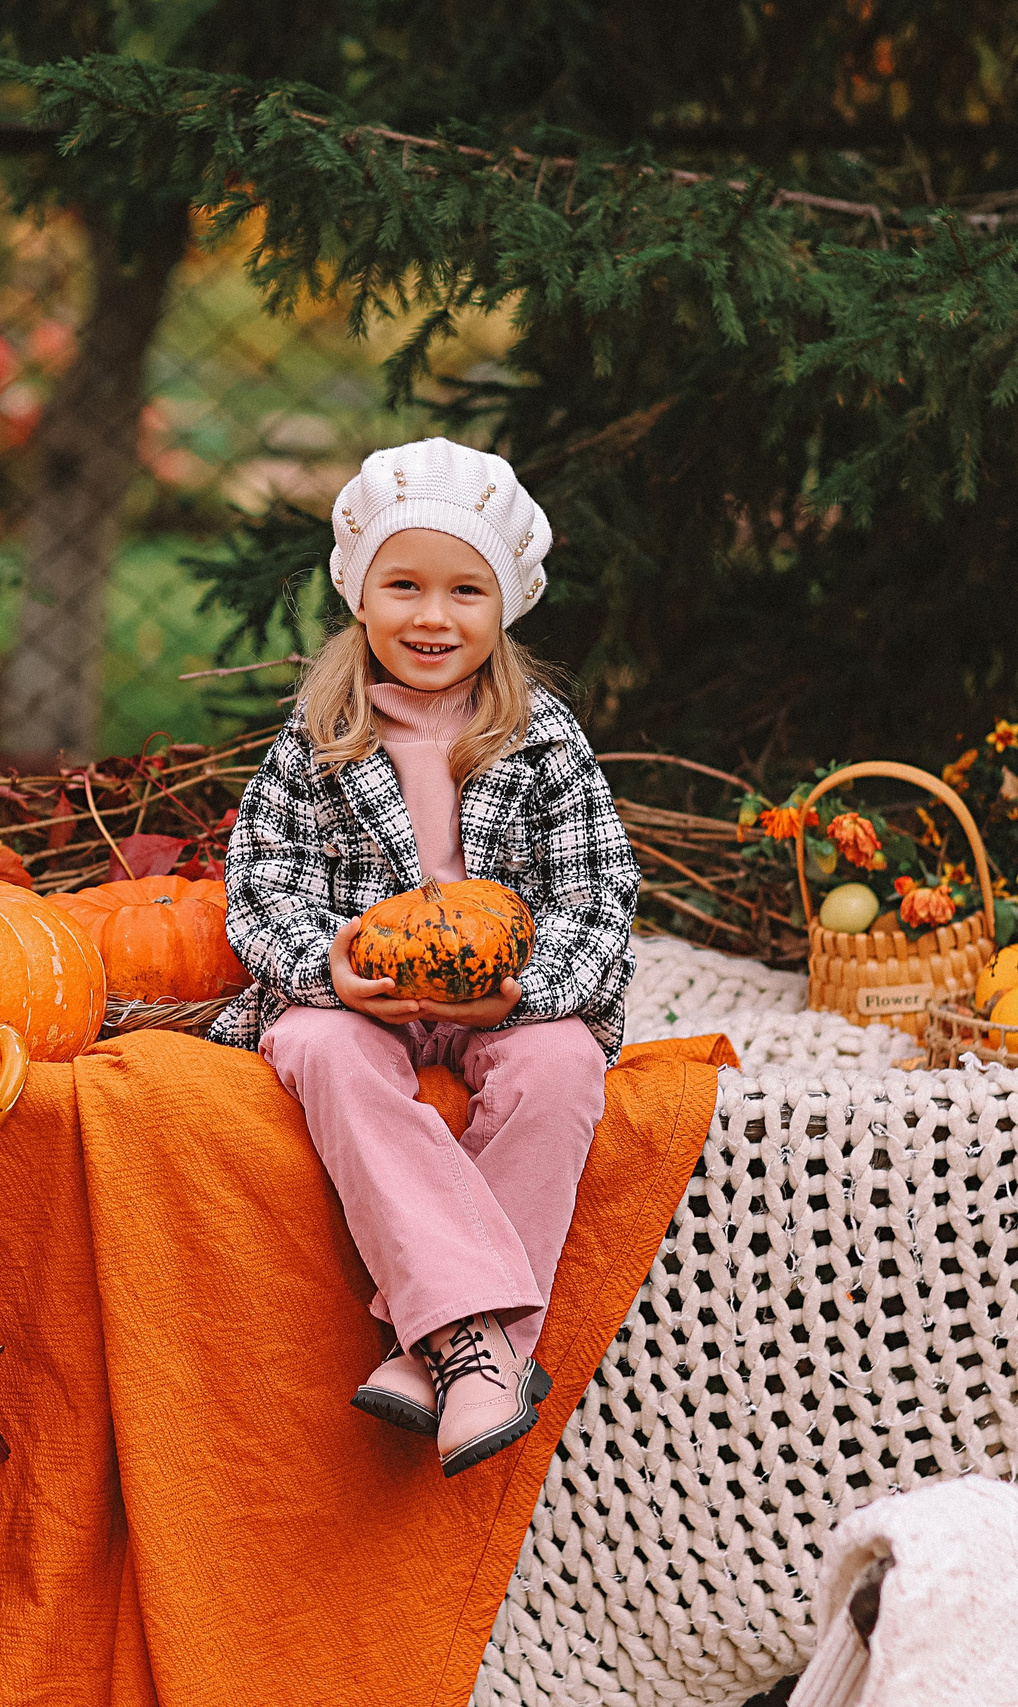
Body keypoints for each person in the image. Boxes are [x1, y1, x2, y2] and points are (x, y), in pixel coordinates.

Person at [212, 437, 640, 1476]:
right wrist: (329, 967)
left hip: (505, 995)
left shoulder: (542, 737)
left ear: (505, 608)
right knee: (317, 1050)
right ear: (360, 598)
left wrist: (525, 996)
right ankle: (479, 1344)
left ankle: (434, 1342)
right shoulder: (317, 733)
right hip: (364, 994)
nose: (432, 617)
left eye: (464, 591)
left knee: (564, 1068)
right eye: (402, 585)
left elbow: (599, 899)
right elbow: (260, 887)